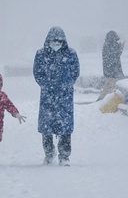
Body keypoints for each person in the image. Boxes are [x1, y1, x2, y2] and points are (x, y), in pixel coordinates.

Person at [33, 26, 80, 166]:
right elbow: (37, 72)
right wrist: (46, 85)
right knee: (46, 126)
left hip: (65, 97)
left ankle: (64, 155)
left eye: (59, 41)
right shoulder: (41, 54)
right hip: (48, 96)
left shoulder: (71, 54)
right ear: (48, 40)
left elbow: (75, 71)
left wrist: (67, 84)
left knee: (65, 127)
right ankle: (49, 153)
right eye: (54, 41)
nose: (56, 43)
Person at [96, 30, 125, 101]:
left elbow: (112, 56)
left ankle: (103, 99)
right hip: (112, 70)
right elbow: (115, 55)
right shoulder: (110, 45)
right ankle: (102, 99)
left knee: (110, 86)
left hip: (109, 70)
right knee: (110, 86)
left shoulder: (106, 45)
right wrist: (121, 48)